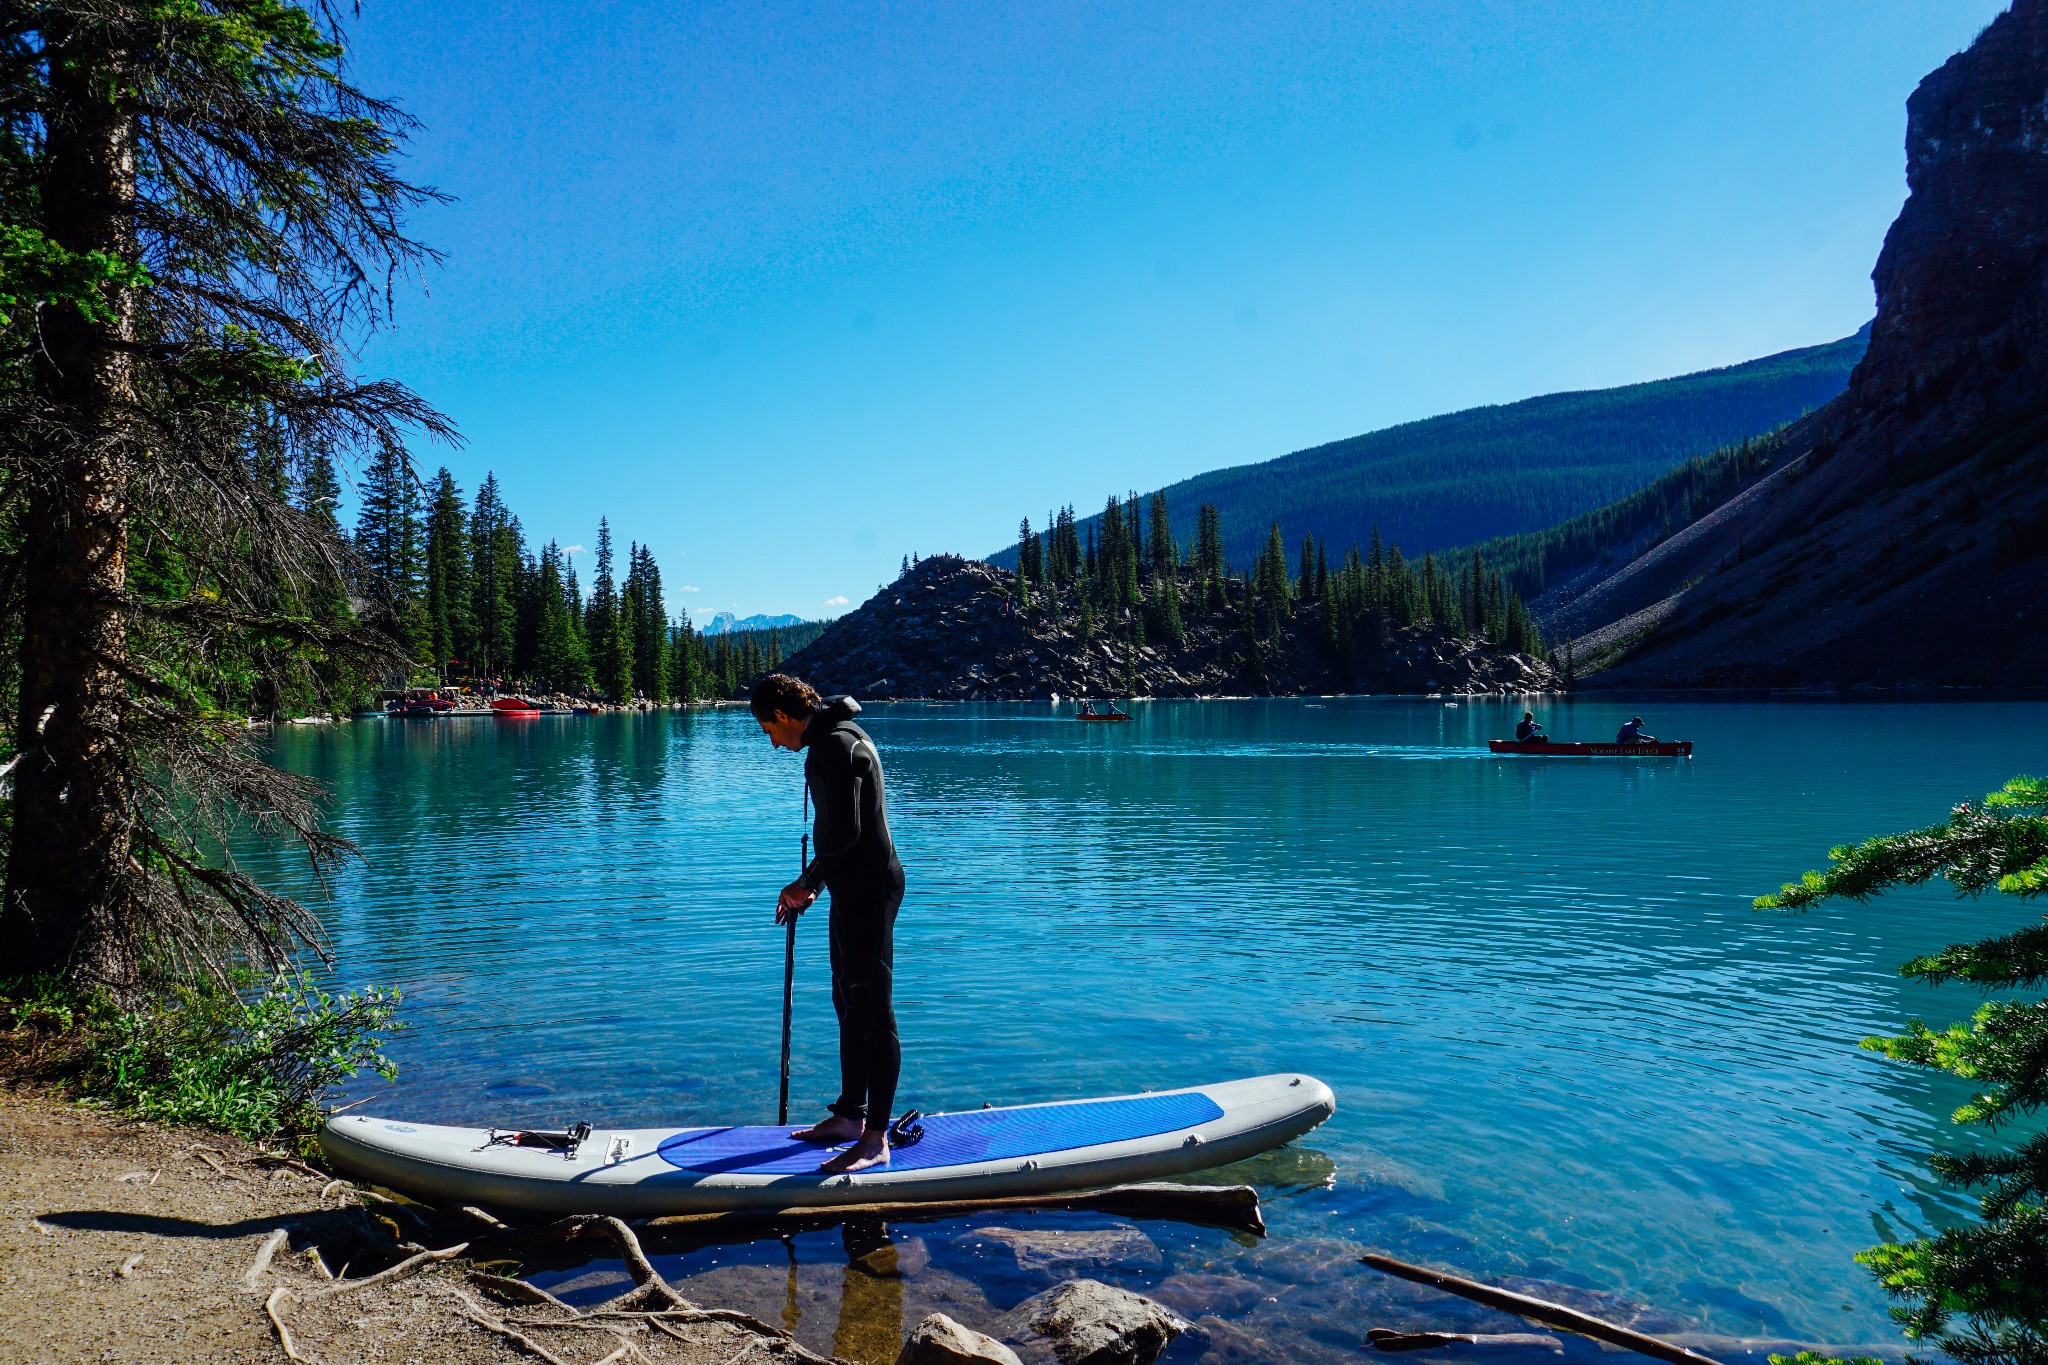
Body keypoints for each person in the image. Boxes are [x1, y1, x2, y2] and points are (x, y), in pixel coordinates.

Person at [752, 673, 906, 1174]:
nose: (774, 743)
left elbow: (845, 833)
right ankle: (848, 1117)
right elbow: (843, 835)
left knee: (872, 1009)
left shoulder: (835, 747)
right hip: (852, 883)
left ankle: (875, 1138)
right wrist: (816, 886)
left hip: (869, 886)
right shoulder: (833, 740)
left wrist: (805, 882)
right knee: (847, 998)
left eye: (769, 730)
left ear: (783, 715)